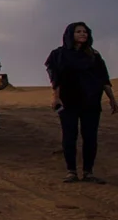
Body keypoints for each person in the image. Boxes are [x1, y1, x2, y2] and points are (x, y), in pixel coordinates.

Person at [44, 21, 118, 184]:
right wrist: (55, 97)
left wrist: (112, 98)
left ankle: (88, 172)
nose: (82, 34)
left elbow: (103, 78)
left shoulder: (93, 55)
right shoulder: (59, 54)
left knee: (90, 137)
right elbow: (55, 79)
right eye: (78, 31)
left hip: (91, 100)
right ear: (70, 34)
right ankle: (71, 171)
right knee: (69, 136)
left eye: (85, 31)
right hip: (68, 100)